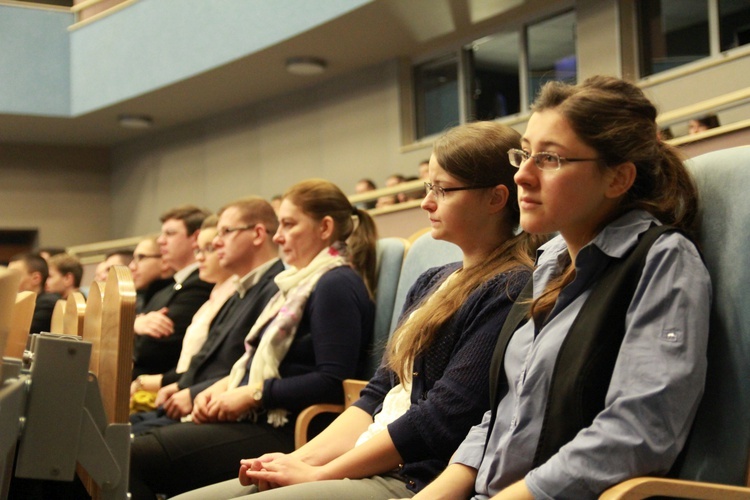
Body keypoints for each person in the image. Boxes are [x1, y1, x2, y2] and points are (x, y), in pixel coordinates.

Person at [174, 121, 541, 499]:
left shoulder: (509, 287)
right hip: (360, 458)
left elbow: (441, 420)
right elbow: (375, 396)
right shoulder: (432, 279)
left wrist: (321, 473)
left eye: (442, 190)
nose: (426, 202)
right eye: (429, 187)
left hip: (411, 477)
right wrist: (298, 462)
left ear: (496, 199)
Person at [407, 76, 712, 499]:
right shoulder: (548, 263)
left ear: (617, 178)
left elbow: (639, 432)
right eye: (525, 155)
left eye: (549, 159)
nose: (522, 177)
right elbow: (501, 415)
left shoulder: (662, 261)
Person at [129, 180, 378, 498]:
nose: (278, 236)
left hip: (289, 429)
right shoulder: (298, 283)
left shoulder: (335, 283)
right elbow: (257, 360)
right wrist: (224, 389)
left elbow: (333, 380)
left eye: (288, 224)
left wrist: (253, 394)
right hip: (261, 418)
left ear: (325, 227)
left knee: (130, 456)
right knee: (125, 447)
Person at [130, 198, 285, 426]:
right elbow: (208, 356)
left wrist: (190, 391)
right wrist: (183, 387)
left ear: (258, 234)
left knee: (130, 445)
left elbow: (239, 363)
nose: (218, 243)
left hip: (228, 409)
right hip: (202, 396)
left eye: (225, 233)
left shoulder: (275, 286)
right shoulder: (240, 289)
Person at [130, 215, 235, 412]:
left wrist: (150, 382)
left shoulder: (200, 286)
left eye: (209, 249)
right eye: (199, 250)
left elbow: (155, 347)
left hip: (193, 393)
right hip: (181, 388)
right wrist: (137, 325)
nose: (200, 257)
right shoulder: (174, 290)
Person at [132, 205, 213, 379]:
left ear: (195, 237)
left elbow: (153, 350)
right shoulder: (166, 289)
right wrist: (137, 325)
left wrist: (134, 333)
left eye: (170, 234)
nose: (161, 241)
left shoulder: (200, 284)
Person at [8, 252, 61, 334]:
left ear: (36, 278)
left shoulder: (47, 303)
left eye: (15, 275)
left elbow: (18, 333)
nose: (10, 280)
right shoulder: (16, 301)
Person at [129, 237, 174, 313]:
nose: (131, 266)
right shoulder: (140, 299)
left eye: (141, 257)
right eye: (133, 259)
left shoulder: (179, 294)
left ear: (165, 260)